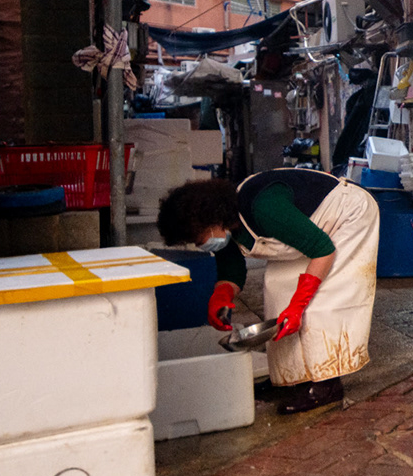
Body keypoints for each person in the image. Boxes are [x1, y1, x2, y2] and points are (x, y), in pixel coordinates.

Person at [158, 169, 380, 413]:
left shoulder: (265, 208)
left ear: (212, 219)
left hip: (348, 215)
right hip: (314, 228)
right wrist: (221, 296)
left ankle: (326, 385)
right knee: (276, 290)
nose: (201, 244)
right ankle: (288, 379)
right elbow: (231, 270)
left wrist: (298, 305)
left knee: (320, 303)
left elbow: (323, 250)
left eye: (199, 238)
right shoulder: (227, 226)